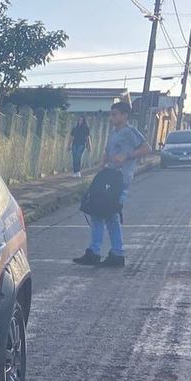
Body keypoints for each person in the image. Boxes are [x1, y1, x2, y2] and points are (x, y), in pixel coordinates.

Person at [73, 101, 151, 269]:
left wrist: (127, 156)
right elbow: (107, 152)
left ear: (125, 115)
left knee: (111, 215)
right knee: (97, 211)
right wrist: (101, 165)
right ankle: (94, 252)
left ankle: (117, 253)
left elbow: (147, 148)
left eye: (115, 114)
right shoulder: (113, 133)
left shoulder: (130, 132)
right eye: (111, 114)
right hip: (108, 177)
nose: (111, 117)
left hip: (120, 180)